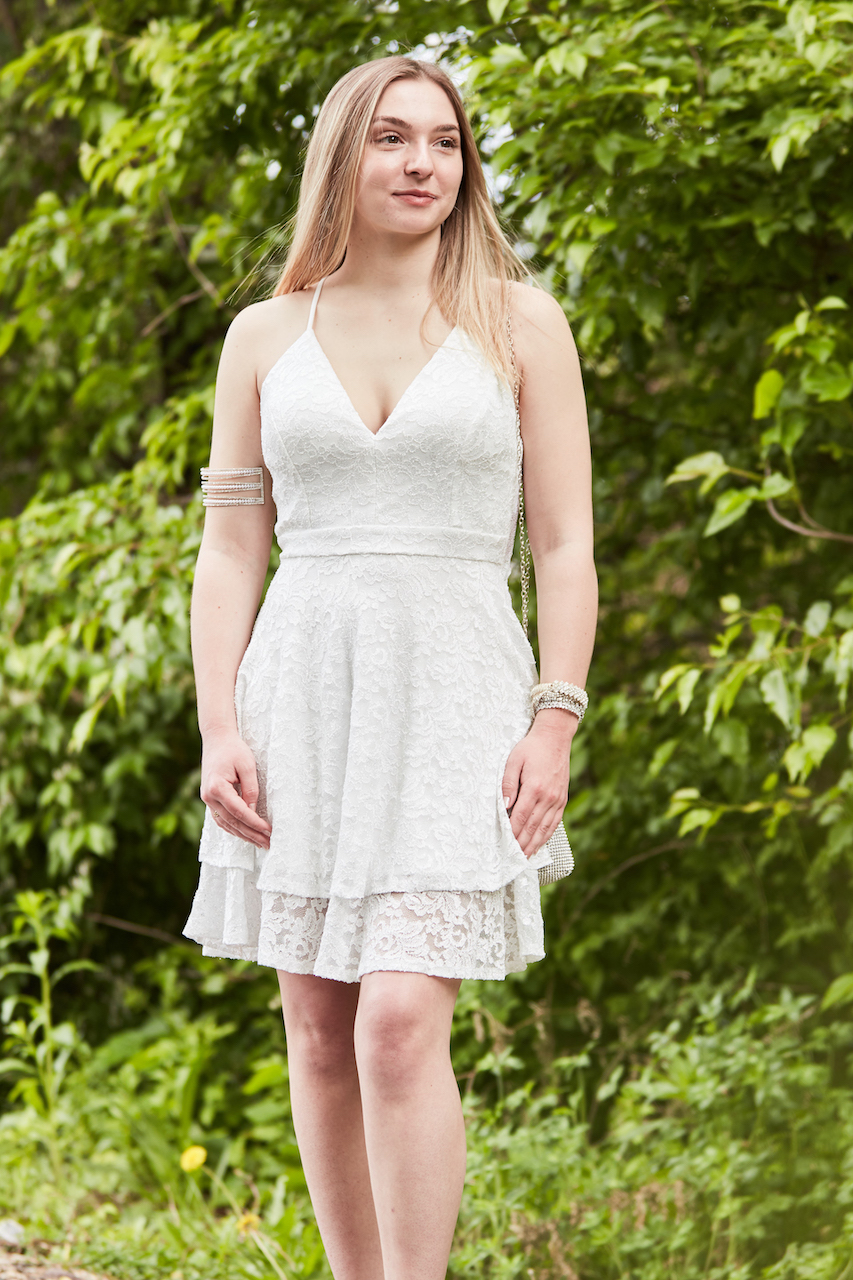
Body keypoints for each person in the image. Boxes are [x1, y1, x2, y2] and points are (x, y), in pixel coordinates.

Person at [183, 54, 596, 1280]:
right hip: (300, 692)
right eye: (393, 139)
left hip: (458, 692)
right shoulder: (265, 333)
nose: (424, 163)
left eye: (447, 142)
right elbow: (227, 546)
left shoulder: (519, 318)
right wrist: (218, 723)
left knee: (403, 1019)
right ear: (342, 158)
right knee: (315, 1025)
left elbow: (566, 543)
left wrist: (555, 716)